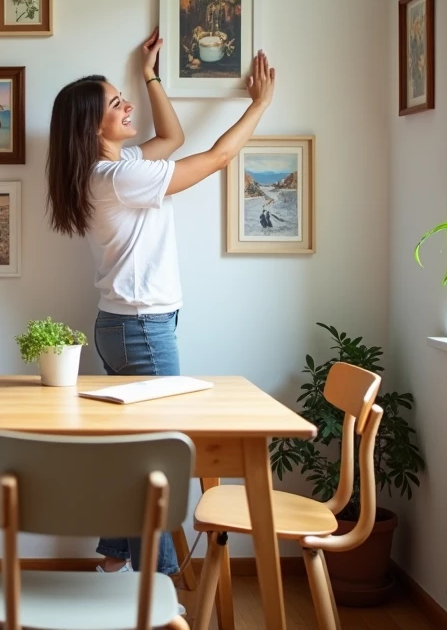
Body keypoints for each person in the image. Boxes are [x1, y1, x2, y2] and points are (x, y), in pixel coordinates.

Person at [45, 29, 276, 578]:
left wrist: (149, 75)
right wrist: (260, 103)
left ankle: (113, 559)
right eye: (115, 102)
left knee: (136, 454)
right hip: (143, 329)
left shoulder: (108, 171)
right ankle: (162, 584)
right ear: (90, 125)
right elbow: (218, 157)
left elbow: (170, 135)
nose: (126, 106)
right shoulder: (123, 176)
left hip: (123, 326)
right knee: (162, 463)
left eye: (123, 98)